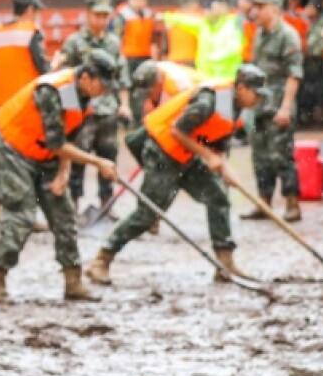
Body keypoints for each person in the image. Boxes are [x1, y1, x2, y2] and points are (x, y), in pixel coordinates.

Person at [88, 66, 266, 285]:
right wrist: (208, 157)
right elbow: (177, 130)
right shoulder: (209, 100)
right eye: (255, 93)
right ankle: (102, 259)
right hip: (162, 152)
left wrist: (224, 167)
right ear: (241, 88)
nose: (258, 98)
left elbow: (217, 139)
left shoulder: (237, 108)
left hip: (187, 155)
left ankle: (224, 264)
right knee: (148, 214)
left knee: (218, 196)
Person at [0, 50, 120, 303]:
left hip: (46, 155)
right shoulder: (51, 90)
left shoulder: (84, 99)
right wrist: (97, 161)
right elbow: (57, 142)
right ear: (86, 78)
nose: (104, 91)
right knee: (20, 218)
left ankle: (73, 282)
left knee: (64, 217)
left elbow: (68, 136)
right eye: (102, 84)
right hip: (15, 150)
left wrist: (63, 174)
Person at [57, 0, 131, 212]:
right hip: (82, 113)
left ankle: (106, 205)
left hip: (107, 110)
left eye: (105, 16)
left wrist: (124, 104)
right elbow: (66, 76)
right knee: (78, 157)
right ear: (87, 15)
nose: (101, 20)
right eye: (97, 15)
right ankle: (73, 204)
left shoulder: (113, 43)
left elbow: (122, 76)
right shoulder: (74, 42)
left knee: (108, 157)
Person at [244, 0, 304, 222]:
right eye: (255, 7)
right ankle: (264, 203)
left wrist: (286, 107)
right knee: (260, 157)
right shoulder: (259, 34)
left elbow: (294, 75)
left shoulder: (288, 35)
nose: (256, 11)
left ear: (274, 9)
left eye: (261, 7)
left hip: (279, 104)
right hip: (260, 104)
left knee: (282, 155)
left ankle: (292, 204)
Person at [0, 0, 50, 109]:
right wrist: (57, 63)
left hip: (2, 108)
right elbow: (44, 69)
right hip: (26, 105)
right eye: (37, 13)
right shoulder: (30, 32)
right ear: (30, 10)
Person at [165, 0, 244, 79]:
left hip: (226, 77)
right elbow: (186, 21)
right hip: (206, 76)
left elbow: (235, 47)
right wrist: (166, 17)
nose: (211, 11)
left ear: (224, 7)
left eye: (214, 8)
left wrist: (213, 57)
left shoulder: (233, 23)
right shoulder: (205, 25)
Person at [130, 60, 206, 124]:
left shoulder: (176, 86)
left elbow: (185, 119)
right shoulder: (157, 69)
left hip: (205, 100)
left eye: (149, 93)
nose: (148, 97)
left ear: (157, 84)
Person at [111, 0, 164, 75]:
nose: (139, 2)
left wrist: (154, 48)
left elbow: (153, 35)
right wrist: (119, 56)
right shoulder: (123, 16)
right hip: (129, 57)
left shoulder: (149, 15)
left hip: (146, 56)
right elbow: (116, 38)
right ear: (130, 0)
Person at [164, 0, 202, 67]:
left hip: (174, 58)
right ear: (192, 4)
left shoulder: (171, 18)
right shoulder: (197, 19)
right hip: (192, 58)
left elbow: (165, 42)